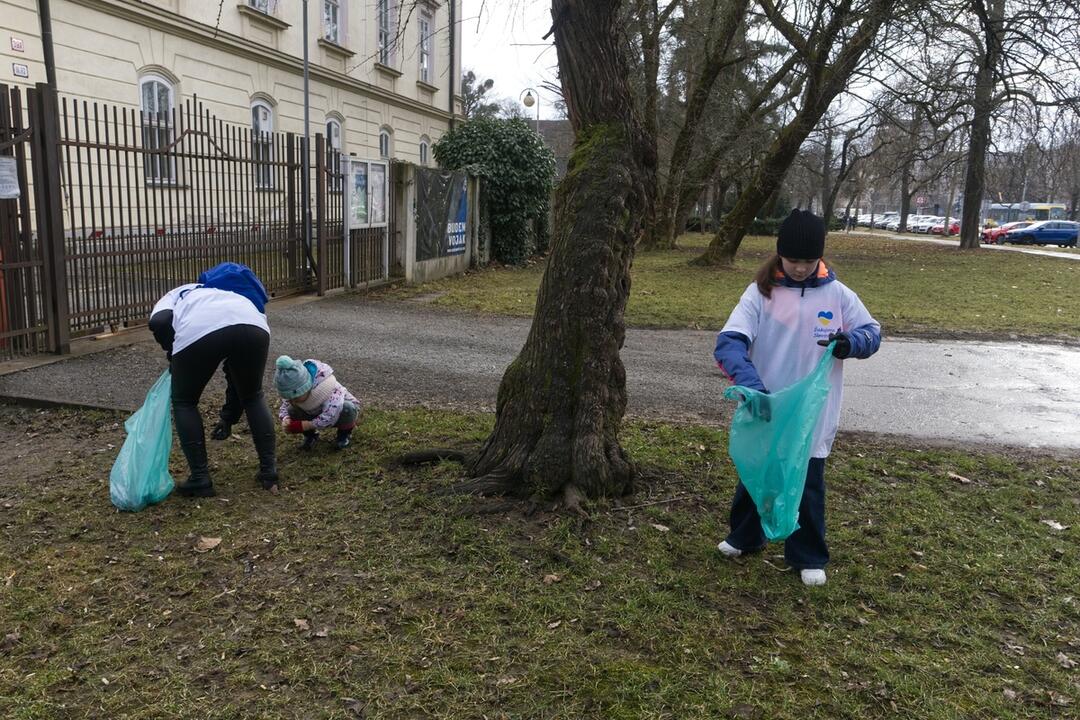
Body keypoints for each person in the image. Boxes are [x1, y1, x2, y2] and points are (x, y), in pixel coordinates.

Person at [712, 209, 881, 586]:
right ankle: (745, 536)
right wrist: (751, 385)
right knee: (759, 472)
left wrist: (850, 343)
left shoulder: (837, 295)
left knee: (807, 480)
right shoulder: (760, 293)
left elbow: (872, 332)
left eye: (809, 260)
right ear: (779, 254)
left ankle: (807, 554)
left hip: (814, 409)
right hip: (767, 403)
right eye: (793, 260)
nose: (801, 269)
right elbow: (729, 343)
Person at [148, 263, 278, 497]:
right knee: (253, 395)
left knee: (184, 401)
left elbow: (159, 322)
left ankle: (200, 478)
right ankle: (269, 472)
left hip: (198, 329)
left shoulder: (182, 292)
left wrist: (173, 353)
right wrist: (228, 418)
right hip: (254, 326)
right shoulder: (241, 300)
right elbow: (236, 377)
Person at [274, 355, 361, 451]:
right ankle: (310, 436)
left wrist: (306, 425)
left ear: (306, 388)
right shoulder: (293, 394)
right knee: (292, 409)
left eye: (295, 398)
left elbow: (330, 415)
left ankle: (344, 435)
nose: (292, 401)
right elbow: (285, 406)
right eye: (289, 398)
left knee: (347, 408)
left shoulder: (327, 389)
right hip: (315, 414)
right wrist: (286, 418)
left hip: (337, 412)